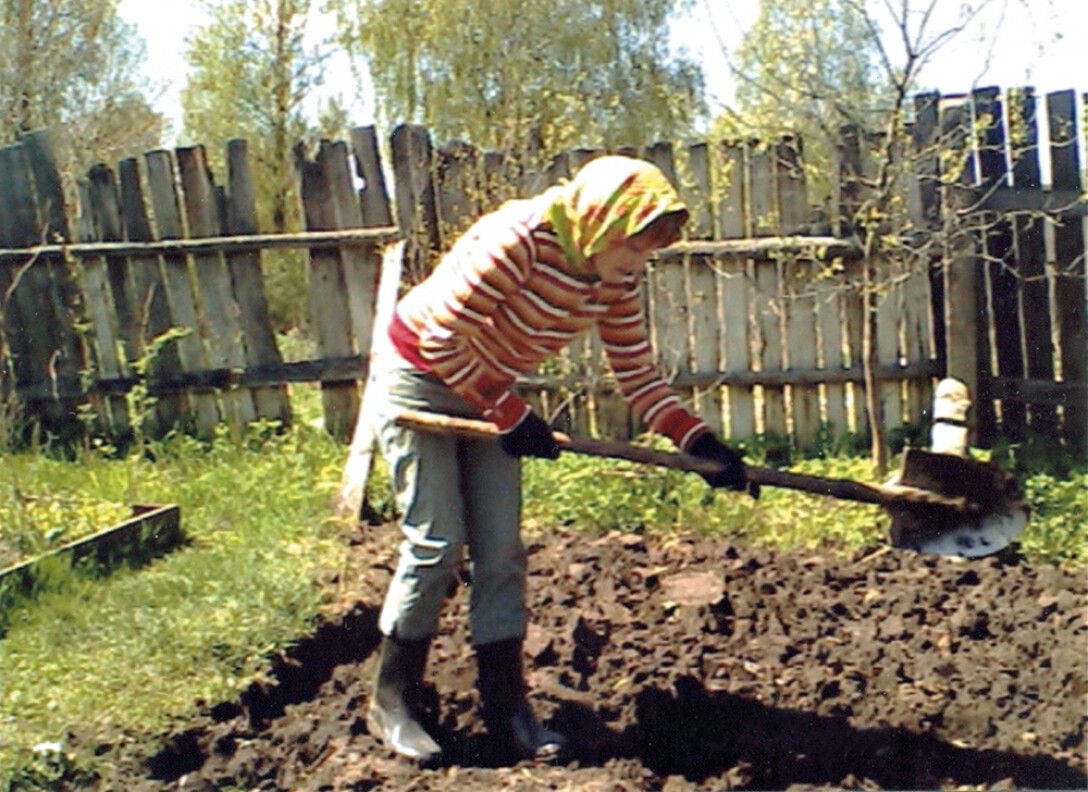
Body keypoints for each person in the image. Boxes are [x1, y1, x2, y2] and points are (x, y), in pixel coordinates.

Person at [365, 155, 753, 764]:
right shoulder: (516, 241)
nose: (639, 264)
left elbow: (636, 372)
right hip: (419, 375)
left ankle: (507, 708)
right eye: (635, 247)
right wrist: (508, 412)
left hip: (488, 386)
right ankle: (395, 701)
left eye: (648, 253)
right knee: (437, 544)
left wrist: (699, 443)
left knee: (500, 549)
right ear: (599, 223)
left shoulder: (613, 279)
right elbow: (440, 337)